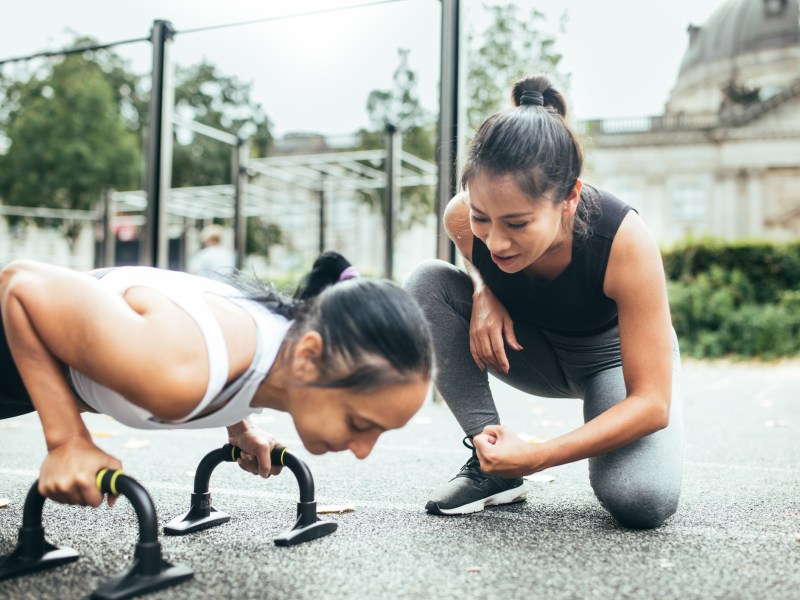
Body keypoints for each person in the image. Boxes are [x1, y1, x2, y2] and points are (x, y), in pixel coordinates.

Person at [404, 75, 683, 529]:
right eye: (482, 217)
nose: (495, 241)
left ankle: (512, 466)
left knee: (641, 499)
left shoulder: (625, 242)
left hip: (609, 364)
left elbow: (652, 403)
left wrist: (534, 457)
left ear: (569, 196)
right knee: (427, 281)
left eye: (516, 223)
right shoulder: (460, 218)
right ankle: (491, 466)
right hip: (528, 351)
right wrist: (483, 289)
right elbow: (474, 250)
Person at [0, 251, 433, 508]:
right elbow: (19, 283)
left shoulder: (283, 342)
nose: (362, 452)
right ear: (309, 357)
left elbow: (233, 372)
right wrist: (65, 443)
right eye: (360, 424)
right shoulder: (178, 371)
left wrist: (240, 427)